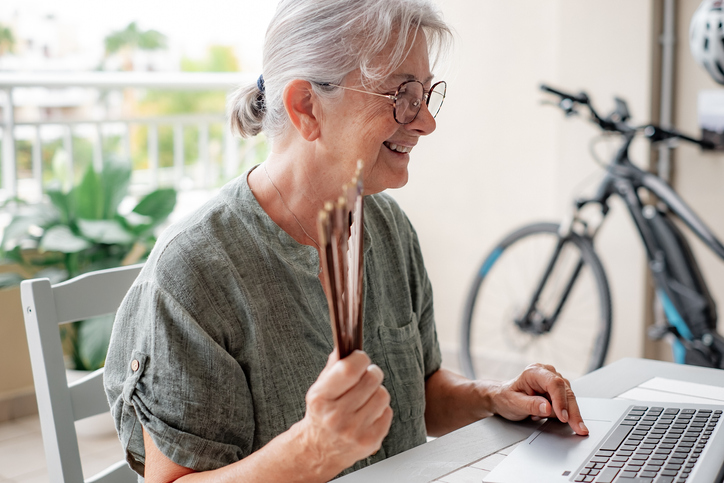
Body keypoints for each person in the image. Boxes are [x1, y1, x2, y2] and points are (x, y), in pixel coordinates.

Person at [104, 0, 589, 481]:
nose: (426, 121)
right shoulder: (194, 274)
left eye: (425, 94)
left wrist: (494, 397)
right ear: (306, 107)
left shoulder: (386, 224)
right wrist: (312, 449)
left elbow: (418, 395)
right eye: (402, 94)